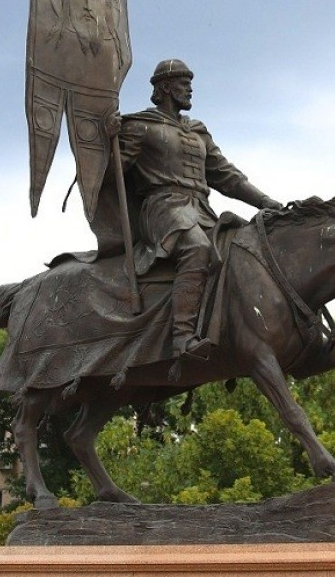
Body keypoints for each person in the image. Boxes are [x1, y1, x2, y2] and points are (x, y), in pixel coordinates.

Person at [106, 60, 283, 361]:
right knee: (197, 248)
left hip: (201, 210)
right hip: (163, 209)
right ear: (165, 88)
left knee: (241, 249)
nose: (190, 90)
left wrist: (266, 202)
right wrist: (108, 140)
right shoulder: (140, 126)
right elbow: (112, 176)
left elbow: (228, 177)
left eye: (190, 84)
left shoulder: (198, 132)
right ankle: (182, 337)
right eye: (183, 84)